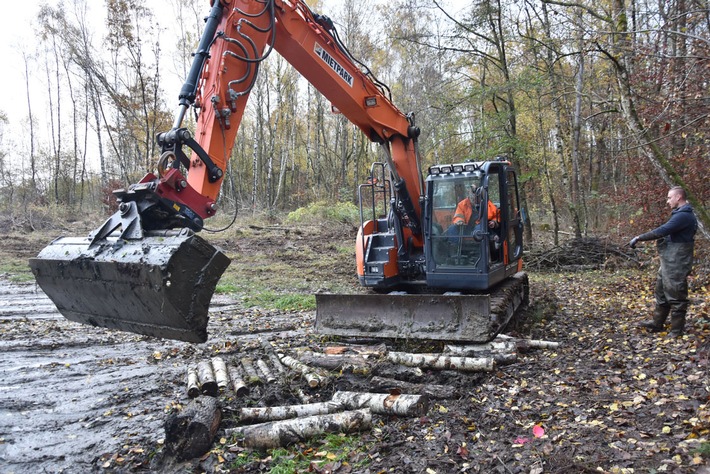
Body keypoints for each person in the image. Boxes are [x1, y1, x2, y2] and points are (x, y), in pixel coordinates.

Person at [629, 186, 697, 337]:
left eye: (669, 198)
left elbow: (663, 230)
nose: (667, 201)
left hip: (677, 264)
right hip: (668, 262)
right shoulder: (680, 214)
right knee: (661, 292)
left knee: (676, 296)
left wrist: (639, 238)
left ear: (678, 197)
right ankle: (657, 323)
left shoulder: (684, 216)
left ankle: (676, 331)